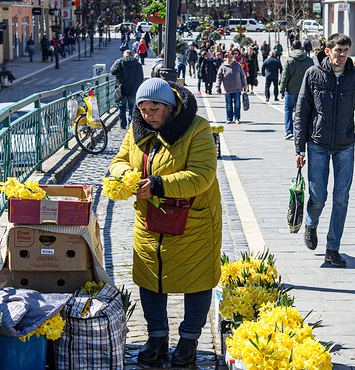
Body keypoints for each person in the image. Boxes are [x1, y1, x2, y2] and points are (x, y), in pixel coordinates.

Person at [109, 78, 221, 368]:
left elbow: (202, 175)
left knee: (196, 279)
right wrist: (126, 177)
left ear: (170, 108)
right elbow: (119, 160)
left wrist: (157, 185)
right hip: (150, 220)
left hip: (193, 221)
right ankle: (156, 337)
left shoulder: (197, 128)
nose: (148, 115)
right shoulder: (137, 129)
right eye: (143, 109)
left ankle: (188, 341)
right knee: (150, 277)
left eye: (155, 108)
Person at [294, 33, 355, 267]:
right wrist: (299, 148)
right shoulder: (313, 74)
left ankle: (333, 248)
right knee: (318, 197)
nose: (342, 55)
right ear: (327, 51)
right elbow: (302, 112)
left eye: (345, 50)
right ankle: (311, 223)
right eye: (338, 50)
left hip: (345, 146)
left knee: (341, 198)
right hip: (317, 144)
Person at [280, 40, 314, 140]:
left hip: (291, 90)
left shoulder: (289, 60)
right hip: (304, 91)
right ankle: (304, 130)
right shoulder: (309, 61)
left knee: (288, 109)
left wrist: (282, 90)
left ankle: (289, 130)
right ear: (302, 48)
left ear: (292, 48)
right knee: (304, 111)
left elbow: (285, 76)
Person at [111, 50, 144, 129]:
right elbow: (141, 77)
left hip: (122, 89)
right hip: (133, 89)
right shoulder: (137, 64)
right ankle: (131, 125)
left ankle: (122, 125)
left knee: (122, 106)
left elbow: (113, 71)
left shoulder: (120, 62)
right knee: (132, 107)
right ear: (131, 55)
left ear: (124, 55)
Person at [216, 51, 248, 124]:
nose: (230, 59)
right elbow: (219, 77)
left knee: (237, 104)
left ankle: (237, 118)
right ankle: (229, 118)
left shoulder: (238, 65)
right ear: (225, 58)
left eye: (231, 57)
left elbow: (242, 76)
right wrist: (217, 86)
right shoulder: (222, 67)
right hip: (227, 89)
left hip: (237, 88)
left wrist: (244, 85)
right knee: (228, 104)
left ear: (233, 58)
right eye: (228, 57)